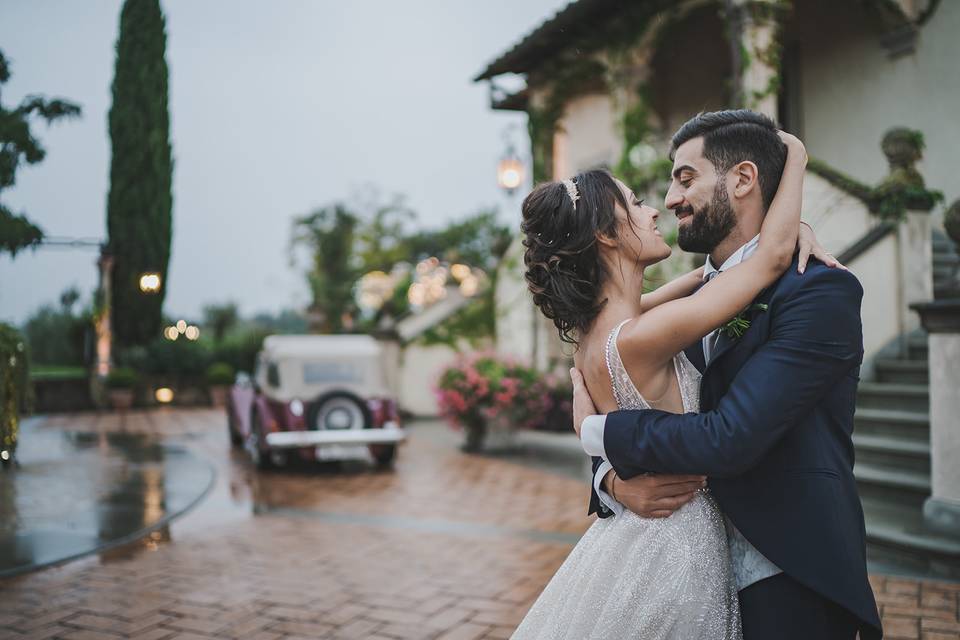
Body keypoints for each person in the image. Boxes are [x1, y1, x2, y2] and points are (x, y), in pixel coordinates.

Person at [512, 109, 838, 639]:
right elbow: (769, 261)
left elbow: (708, 277)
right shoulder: (642, 336)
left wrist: (785, 221)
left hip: (641, 537)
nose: (656, 209)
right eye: (635, 204)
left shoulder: (606, 333)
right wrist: (794, 155)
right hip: (680, 546)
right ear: (607, 235)